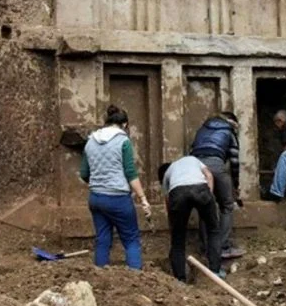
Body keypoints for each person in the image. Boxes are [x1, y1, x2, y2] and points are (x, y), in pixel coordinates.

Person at [80, 105, 152, 270]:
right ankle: (135, 276)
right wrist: (143, 198)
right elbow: (130, 173)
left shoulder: (90, 141)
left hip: (96, 198)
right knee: (131, 239)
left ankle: (100, 276)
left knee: (102, 239)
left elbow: (84, 173)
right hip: (118, 199)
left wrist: (99, 183)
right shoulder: (123, 141)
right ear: (125, 124)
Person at [189, 111, 244, 259]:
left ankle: (206, 246)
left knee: (204, 206)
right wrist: (235, 184)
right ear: (232, 122)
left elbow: (192, 151)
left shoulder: (202, 129)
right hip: (216, 164)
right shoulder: (229, 131)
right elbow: (234, 160)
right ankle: (222, 246)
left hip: (197, 166)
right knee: (227, 205)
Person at [158, 157, 222, 282]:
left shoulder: (167, 173)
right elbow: (209, 175)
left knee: (178, 240)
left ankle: (180, 279)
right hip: (200, 188)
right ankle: (215, 271)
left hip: (178, 193)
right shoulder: (192, 159)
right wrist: (210, 198)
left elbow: (168, 200)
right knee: (213, 230)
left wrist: (172, 222)